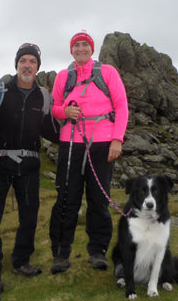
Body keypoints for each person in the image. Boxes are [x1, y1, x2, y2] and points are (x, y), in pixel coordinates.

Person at [0, 43, 59, 296]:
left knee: (29, 217)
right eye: (24, 61)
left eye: (33, 61)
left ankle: (22, 262)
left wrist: (73, 133)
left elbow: (49, 129)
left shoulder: (42, 96)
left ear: (37, 68)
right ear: (17, 65)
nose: (28, 65)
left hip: (30, 167)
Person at [49, 30, 129, 274]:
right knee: (66, 198)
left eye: (85, 45)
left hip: (103, 143)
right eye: (76, 45)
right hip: (70, 143)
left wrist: (117, 139)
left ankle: (98, 251)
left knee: (98, 199)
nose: (81, 49)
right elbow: (54, 107)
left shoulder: (107, 72)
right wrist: (65, 113)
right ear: (71, 50)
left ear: (91, 49)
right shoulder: (64, 76)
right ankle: (61, 254)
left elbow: (121, 105)